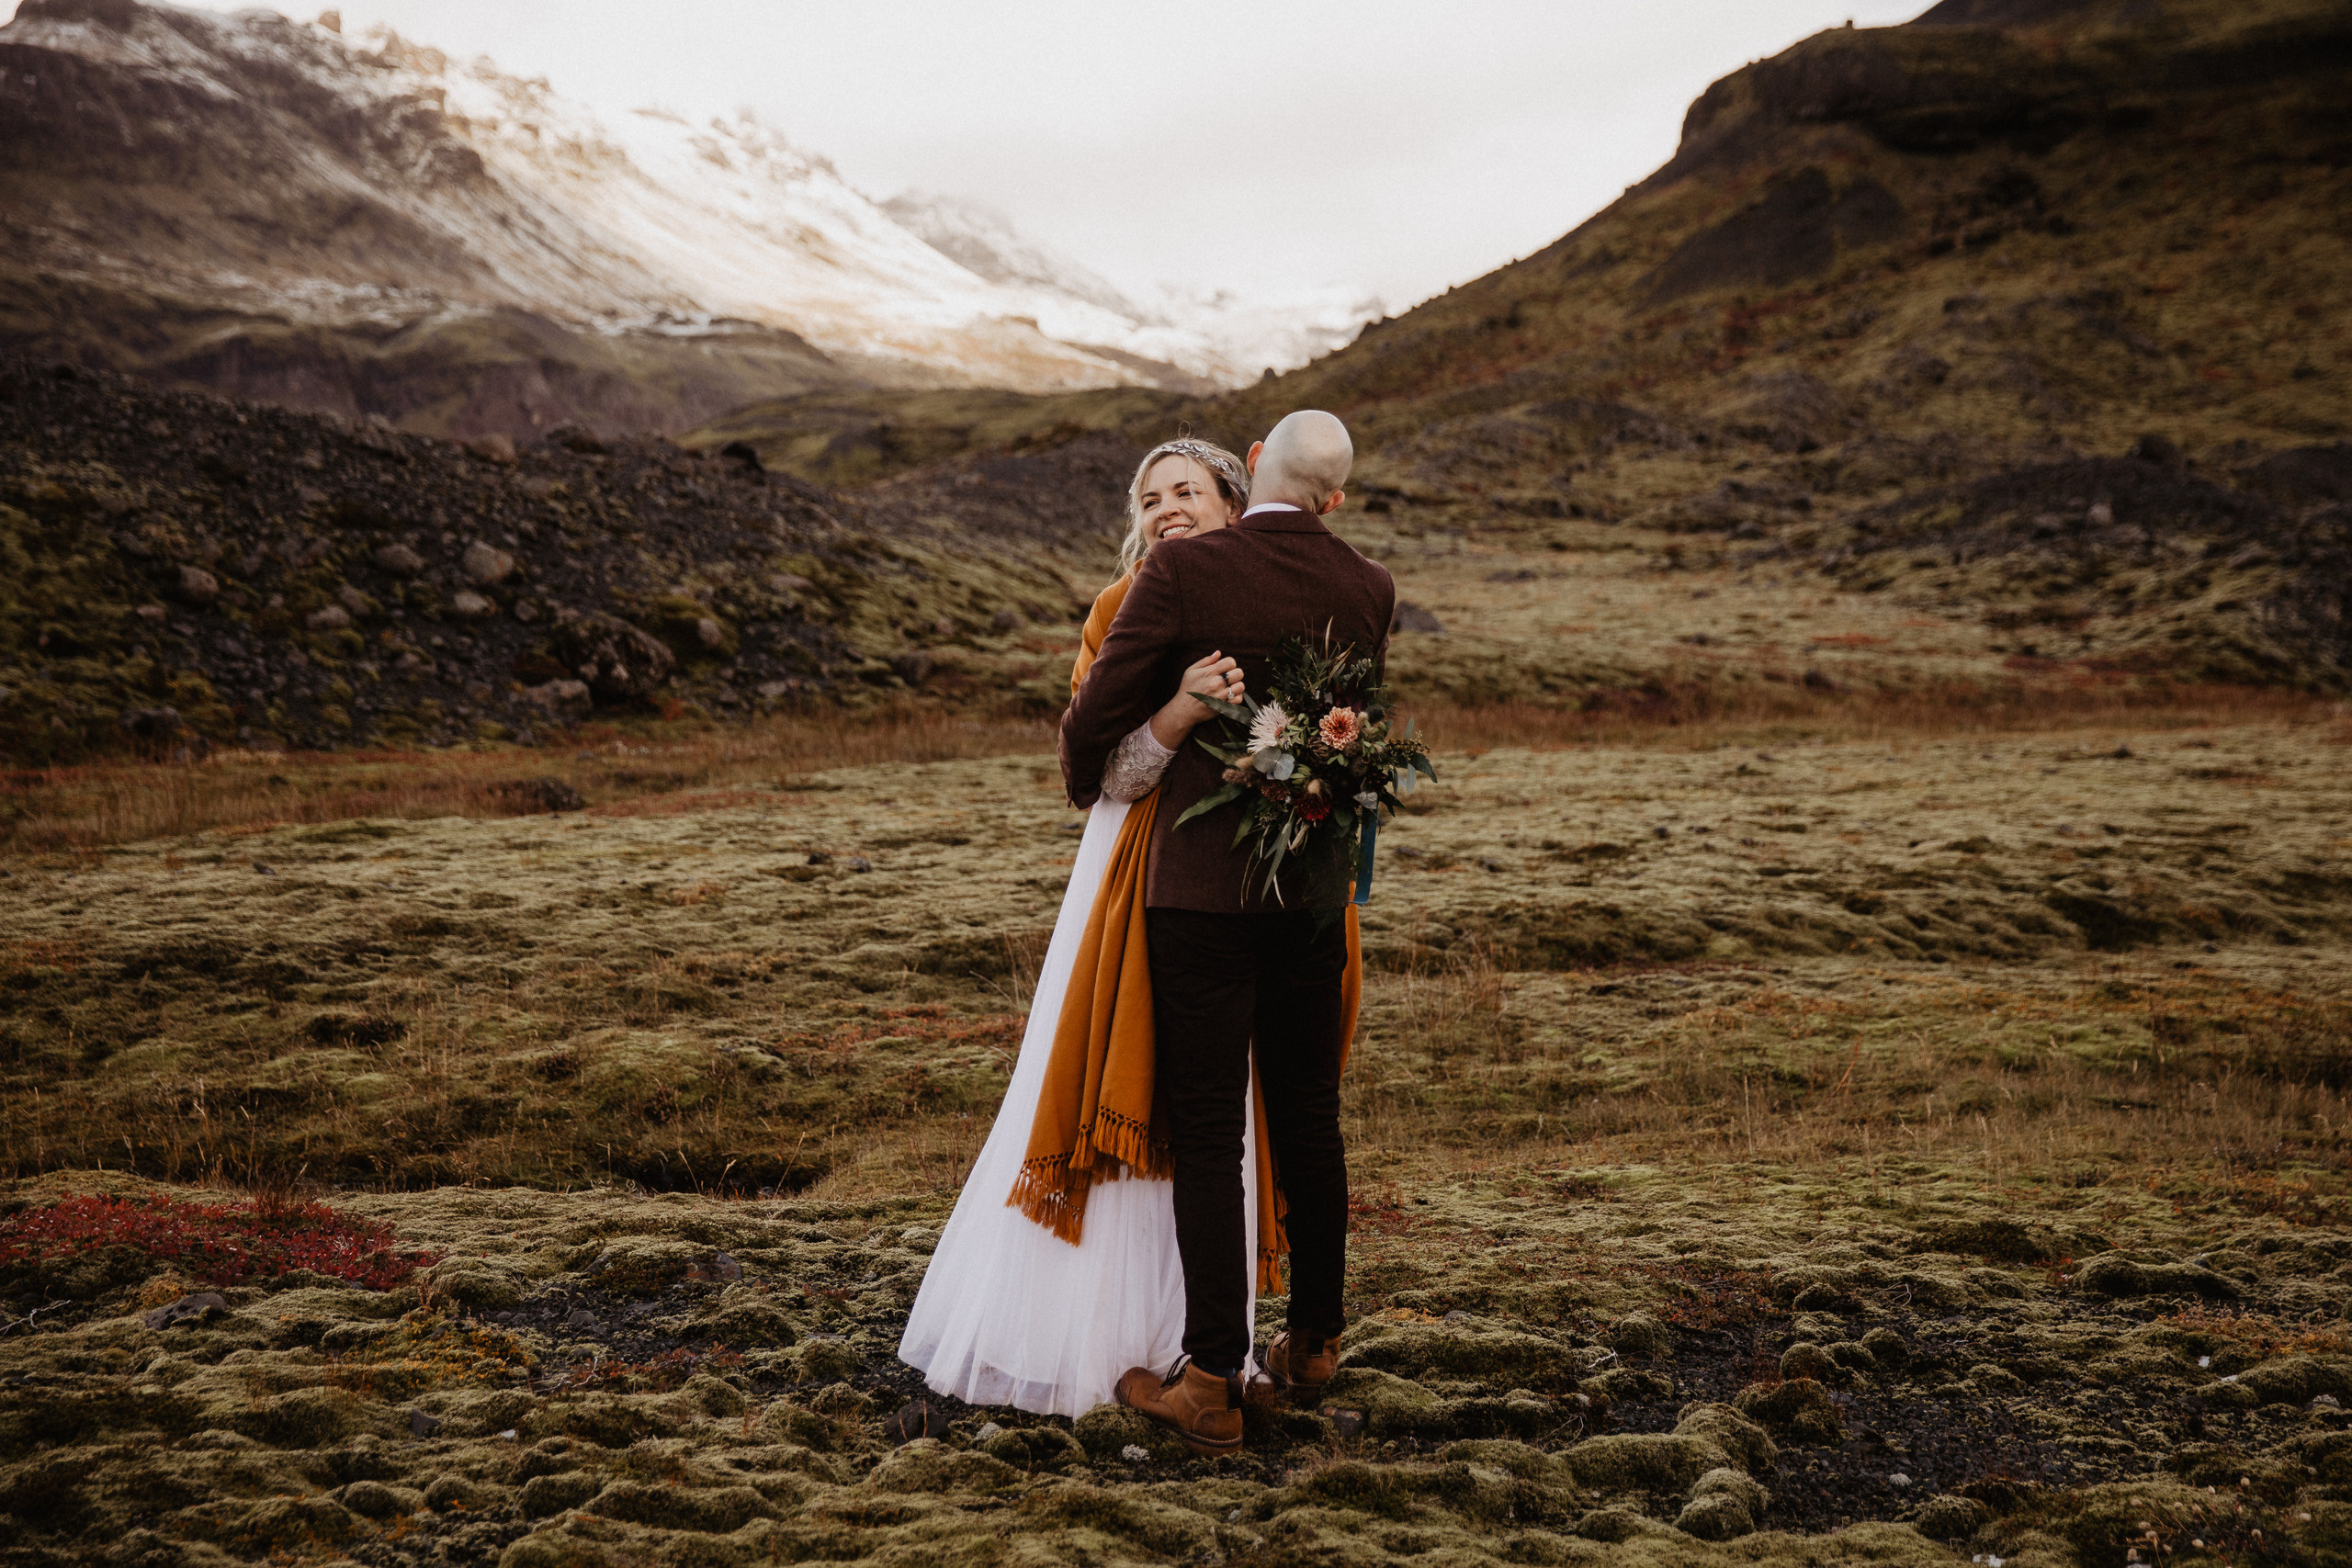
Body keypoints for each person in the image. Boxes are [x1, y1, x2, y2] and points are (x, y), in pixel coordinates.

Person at [897, 437, 1263, 1416]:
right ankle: (1094, 1334)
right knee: (1127, 1064)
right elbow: (1107, 774)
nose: (1166, 509)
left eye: (1186, 491)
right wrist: (1180, 713)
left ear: (1235, 503)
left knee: (1217, 1106)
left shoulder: (1259, 596)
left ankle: (1201, 1338)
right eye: (1150, 499)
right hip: (1135, 867)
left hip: (1238, 883)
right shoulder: (1120, 607)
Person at [1061, 411, 1394, 1455]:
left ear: (1252, 470)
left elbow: (1092, 730)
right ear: (1335, 497)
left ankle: (1208, 1380)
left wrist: (1093, 758)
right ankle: (1316, 1343)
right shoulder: (1371, 587)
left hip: (1201, 894)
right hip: (1312, 898)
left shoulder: (1183, 573)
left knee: (1209, 1131)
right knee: (1310, 1115)